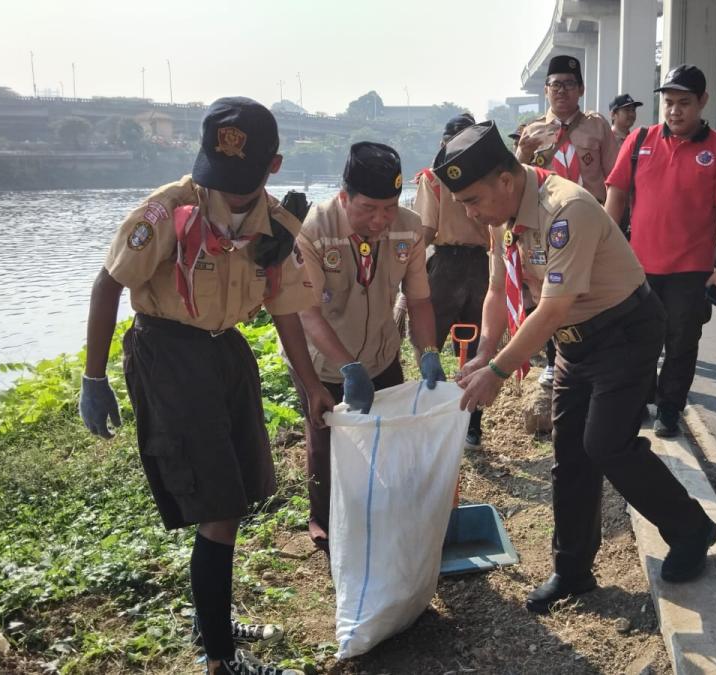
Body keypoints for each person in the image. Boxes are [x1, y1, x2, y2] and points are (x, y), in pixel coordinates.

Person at [78, 97, 326, 675]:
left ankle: (210, 618)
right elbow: (107, 285)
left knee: (238, 492)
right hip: (170, 355)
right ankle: (220, 659)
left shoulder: (276, 224)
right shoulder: (168, 211)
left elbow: (285, 309)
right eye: (220, 177)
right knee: (218, 506)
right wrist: (94, 377)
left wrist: (311, 383)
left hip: (225, 352)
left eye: (244, 182)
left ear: (274, 166)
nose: (230, 194)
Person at [438, 120, 716, 614]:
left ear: (504, 180)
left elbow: (551, 309)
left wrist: (498, 372)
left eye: (473, 200)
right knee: (570, 456)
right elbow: (497, 291)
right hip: (573, 343)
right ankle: (572, 572)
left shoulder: (566, 209)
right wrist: (484, 351)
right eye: (462, 204)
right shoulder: (503, 216)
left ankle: (692, 529)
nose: (469, 212)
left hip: (623, 332)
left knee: (607, 445)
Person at [290, 141, 444, 552]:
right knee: (326, 441)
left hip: (380, 352)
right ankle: (326, 525)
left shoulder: (409, 229)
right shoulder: (313, 230)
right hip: (324, 361)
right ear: (344, 197)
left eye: (389, 207)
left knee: (388, 439)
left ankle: (382, 515)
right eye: (368, 209)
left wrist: (428, 352)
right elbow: (308, 312)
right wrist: (347, 367)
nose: (380, 220)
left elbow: (419, 300)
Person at [603, 64, 716, 438]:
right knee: (636, 339)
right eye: (668, 102)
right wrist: (602, 252)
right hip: (637, 268)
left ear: (702, 102)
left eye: (684, 103)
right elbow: (615, 199)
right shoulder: (639, 142)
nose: (675, 111)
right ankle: (640, 400)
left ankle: (669, 408)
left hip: (691, 270)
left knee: (681, 342)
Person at [414, 112, 492, 448]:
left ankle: (435, 421)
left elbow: (425, 231)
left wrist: (407, 276)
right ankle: (470, 427)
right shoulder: (487, 176)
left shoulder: (433, 178)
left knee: (428, 345)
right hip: (480, 266)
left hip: (446, 266)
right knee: (477, 351)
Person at [515, 54, 619, 204]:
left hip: (592, 211)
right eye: (555, 85)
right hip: (548, 213)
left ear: (581, 89)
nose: (561, 91)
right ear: (546, 91)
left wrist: (609, 215)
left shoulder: (597, 126)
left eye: (569, 84)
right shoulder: (532, 132)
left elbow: (615, 176)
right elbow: (518, 182)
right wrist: (523, 154)